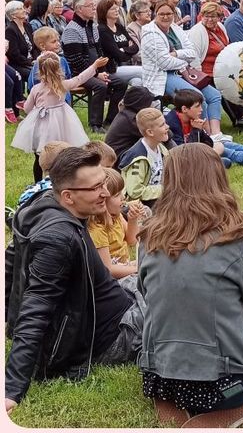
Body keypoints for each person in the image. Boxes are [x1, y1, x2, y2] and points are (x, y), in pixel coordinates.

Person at [138, 144, 243, 425]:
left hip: (159, 370)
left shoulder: (149, 233)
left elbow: (146, 292)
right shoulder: (236, 231)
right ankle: (226, 410)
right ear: (218, 176)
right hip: (222, 380)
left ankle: (173, 400)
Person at [5, 147, 146, 413]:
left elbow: (10, 264)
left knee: (154, 280)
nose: (105, 192)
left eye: (104, 182)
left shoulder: (38, 205)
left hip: (111, 303)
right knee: (181, 307)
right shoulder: (59, 239)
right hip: (112, 336)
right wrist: (11, 388)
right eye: (96, 188)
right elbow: (36, 307)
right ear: (68, 196)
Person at [139, 1, 227, 141]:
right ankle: (206, 133)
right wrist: (184, 60)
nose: (166, 17)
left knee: (214, 95)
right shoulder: (150, 33)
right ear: (155, 14)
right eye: (162, 14)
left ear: (174, 14)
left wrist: (176, 54)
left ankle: (216, 132)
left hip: (182, 72)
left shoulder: (176, 29)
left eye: (169, 14)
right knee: (197, 96)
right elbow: (164, 63)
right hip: (162, 76)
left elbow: (192, 52)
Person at [12, 51, 107, 160]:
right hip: (62, 121)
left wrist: (35, 109)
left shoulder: (36, 89)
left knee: (41, 154)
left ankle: (39, 175)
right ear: (59, 69)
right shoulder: (63, 85)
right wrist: (94, 66)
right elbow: (80, 78)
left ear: (40, 71)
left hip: (42, 124)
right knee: (63, 149)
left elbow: (27, 109)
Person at [61, 0, 127, 132]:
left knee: (121, 83)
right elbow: (75, 61)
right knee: (100, 86)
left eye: (94, 5)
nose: (93, 9)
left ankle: (110, 120)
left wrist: (102, 71)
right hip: (77, 73)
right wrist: (96, 74)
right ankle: (95, 124)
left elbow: (99, 54)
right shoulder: (71, 29)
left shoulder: (93, 26)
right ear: (79, 9)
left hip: (94, 70)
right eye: (90, 6)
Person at [86, 167, 142, 280]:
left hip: (125, 268)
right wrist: (139, 269)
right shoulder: (97, 228)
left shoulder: (117, 216)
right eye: (117, 195)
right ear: (103, 200)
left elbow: (132, 240)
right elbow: (108, 269)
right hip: (115, 280)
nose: (123, 197)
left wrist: (132, 219)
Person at [95, 0, 143, 85]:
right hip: (113, 68)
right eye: (113, 9)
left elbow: (136, 47)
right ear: (104, 12)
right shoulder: (102, 30)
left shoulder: (119, 27)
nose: (117, 11)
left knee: (138, 82)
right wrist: (128, 50)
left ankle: (147, 99)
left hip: (127, 65)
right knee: (144, 71)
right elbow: (118, 56)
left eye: (117, 8)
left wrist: (123, 50)